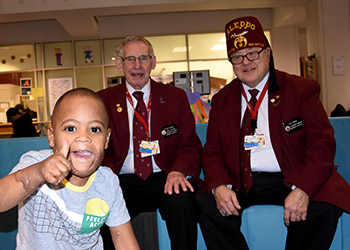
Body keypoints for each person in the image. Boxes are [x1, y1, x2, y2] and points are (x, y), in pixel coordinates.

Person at [196, 16, 350, 250]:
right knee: (204, 202)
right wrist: (219, 186)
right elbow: (212, 152)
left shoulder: (300, 90)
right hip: (242, 180)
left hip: (291, 176)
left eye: (252, 53)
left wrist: (303, 188)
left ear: (267, 53)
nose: (245, 62)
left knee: (323, 207)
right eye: (237, 57)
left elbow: (322, 145)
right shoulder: (222, 100)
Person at [0, 88, 140, 250]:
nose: (83, 137)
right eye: (71, 128)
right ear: (52, 136)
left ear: (106, 140)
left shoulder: (108, 182)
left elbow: (123, 239)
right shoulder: (35, 163)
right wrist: (38, 173)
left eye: (94, 129)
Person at [98, 35, 202, 250]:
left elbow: (189, 144)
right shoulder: (103, 100)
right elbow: (98, 146)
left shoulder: (175, 97)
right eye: (130, 59)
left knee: (183, 202)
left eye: (144, 58)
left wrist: (178, 171)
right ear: (120, 64)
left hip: (166, 176)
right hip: (122, 179)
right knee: (102, 210)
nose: (137, 65)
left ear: (153, 62)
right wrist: (107, 177)